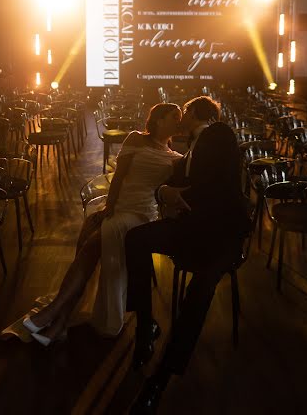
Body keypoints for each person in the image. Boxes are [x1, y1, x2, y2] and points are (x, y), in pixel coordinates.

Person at [17, 102, 183, 345]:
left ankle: (53, 315)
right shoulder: (136, 139)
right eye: (174, 117)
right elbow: (118, 179)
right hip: (118, 205)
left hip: (142, 214)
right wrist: (110, 207)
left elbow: (167, 193)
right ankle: (58, 321)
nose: (178, 121)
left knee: (90, 248)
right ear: (158, 120)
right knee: (88, 248)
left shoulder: (176, 157)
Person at [125, 96, 250, 414]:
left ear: (196, 113)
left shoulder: (219, 133)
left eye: (186, 111)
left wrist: (175, 194)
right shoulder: (191, 148)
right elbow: (171, 184)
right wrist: (161, 192)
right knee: (136, 239)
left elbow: (216, 186)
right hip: (193, 229)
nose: (181, 117)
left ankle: (160, 378)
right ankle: (145, 328)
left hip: (222, 235)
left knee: (202, 286)